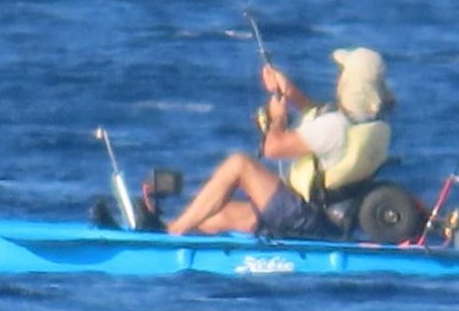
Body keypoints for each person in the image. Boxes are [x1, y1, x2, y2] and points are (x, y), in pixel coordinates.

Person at [166, 47, 396, 238]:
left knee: (239, 164)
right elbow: (318, 116)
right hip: (325, 217)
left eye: (342, 74)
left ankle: (173, 234)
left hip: (305, 215)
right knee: (218, 217)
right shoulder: (371, 124)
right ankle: (170, 231)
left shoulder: (335, 126)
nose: (337, 78)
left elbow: (272, 148)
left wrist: (278, 119)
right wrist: (289, 91)